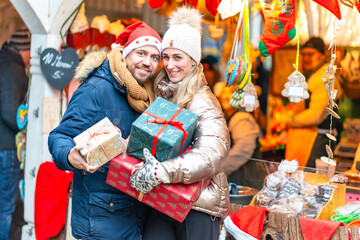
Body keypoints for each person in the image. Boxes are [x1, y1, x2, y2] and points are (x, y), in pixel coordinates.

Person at [48, 22, 162, 239]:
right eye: (141, 53)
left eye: (154, 57)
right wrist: (70, 154)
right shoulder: (96, 89)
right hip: (100, 219)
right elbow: (59, 136)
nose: (147, 62)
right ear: (126, 53)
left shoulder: (149, 96)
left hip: (134, 215)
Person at [129, 7, 230, 240]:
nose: (170, 65)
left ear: (193, 61)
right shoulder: (163, 93)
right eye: (166, 56)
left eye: (178, 57)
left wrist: (163, 171)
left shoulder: (202, 100)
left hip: (199, 205)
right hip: (164, 196)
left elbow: (212, 154)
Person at [285, 37, 343, 168]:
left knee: (310, 182)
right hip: (305, 141)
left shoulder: (326, 78)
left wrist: (289, 120)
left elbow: (315, 115)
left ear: (322, 56)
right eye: (304, 55)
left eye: (311, 54)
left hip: (317, 144)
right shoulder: (311, 76)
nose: (306, 58)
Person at [0, 27, 31, 240]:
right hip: (7, 146)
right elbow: (11, 113)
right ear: (25, 50)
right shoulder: (12, 69)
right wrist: (27, 129)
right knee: (5, 206)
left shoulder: (5, 64)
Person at [214, 82, 267, 190]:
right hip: (240, 178)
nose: (226, 97)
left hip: (246, 179)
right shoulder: (227, 117)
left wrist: (220, 169)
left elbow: (244, 149)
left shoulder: (241, 118)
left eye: (231, 93)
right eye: (223, 93)